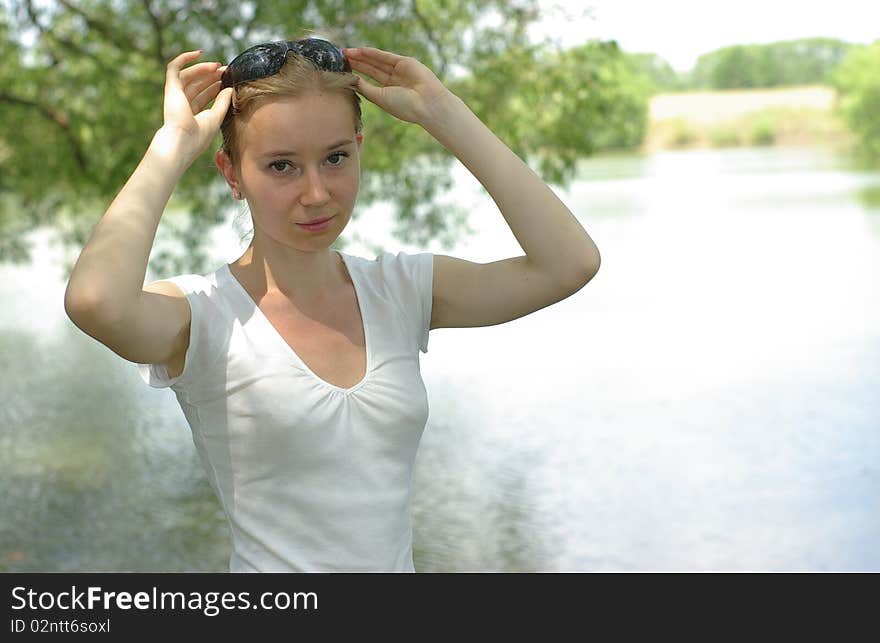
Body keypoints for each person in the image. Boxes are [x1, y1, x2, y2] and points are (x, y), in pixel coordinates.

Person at [63, 35, 601, 572]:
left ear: (359, 149)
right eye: (281, 166)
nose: (317, 193)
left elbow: (568, 263)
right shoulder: (202, 315)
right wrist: (172, 146)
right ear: (232, 174)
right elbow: (94, 301)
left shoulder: (399, 289)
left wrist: (444, 113)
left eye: (335, 157)